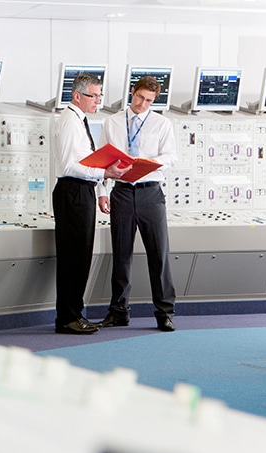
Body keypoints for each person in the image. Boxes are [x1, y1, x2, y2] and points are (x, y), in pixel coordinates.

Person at [52, 73, 131, 335]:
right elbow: (68, 166)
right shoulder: (68, 122)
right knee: (73, 257)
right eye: (93, 96)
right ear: (77, 96)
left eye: (99, 96)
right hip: (72, 191)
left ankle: (75, 314)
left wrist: (101, 187)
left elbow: (86, 162)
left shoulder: (80, 120)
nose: (98, 101)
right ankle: (67, 318)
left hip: (82, 191)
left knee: (81, 255)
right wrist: (105, 172)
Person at [98, 76, 177, 332]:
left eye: (149, 101)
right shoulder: (112, 121)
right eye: (140, 97)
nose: (143, 104)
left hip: (150, 193)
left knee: (159, 254)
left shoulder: (161, 123)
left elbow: (171, 157)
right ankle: (118, 311)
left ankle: (165, 313)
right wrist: (102, 192)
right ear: (132, 91)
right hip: (121, 192)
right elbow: (101, 159)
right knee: (121, 254)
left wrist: (148, 163)